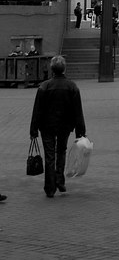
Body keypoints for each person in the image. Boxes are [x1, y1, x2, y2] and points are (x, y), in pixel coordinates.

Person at [29, 55, 86, 198]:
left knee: (49, 155)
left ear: (52, 69)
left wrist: (33, 129)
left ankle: (50, 187)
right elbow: (77, 110)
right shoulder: (72, 86)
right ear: (64, 69)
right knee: (61, 151)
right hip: (65, 126)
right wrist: (80, 130)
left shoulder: (44, 86)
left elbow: (38, 109)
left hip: (47, 126)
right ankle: (60, 181)